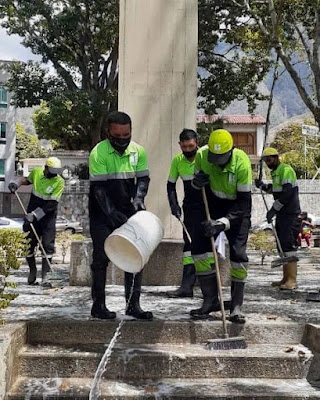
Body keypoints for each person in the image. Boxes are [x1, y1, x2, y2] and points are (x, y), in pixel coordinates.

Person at [89, 111, 153, 320]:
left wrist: (139, 198)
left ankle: (133, 305)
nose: (123, 141)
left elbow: (143, 179)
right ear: (108, 133)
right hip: (102, 212)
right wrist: (111, 213)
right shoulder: (98, 153)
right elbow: (98, 188)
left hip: (129, 211)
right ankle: (98, 305)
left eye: (126, 136)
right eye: (118, 137)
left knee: (136, 255)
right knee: (100, 258)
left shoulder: (138, 151)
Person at [191, 129, 252, 323]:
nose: (216, 163)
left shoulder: (242, 163)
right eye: (214, 158)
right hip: (212, 203)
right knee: (198, 250)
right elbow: (196, 186)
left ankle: (236, 306)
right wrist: (196, 182)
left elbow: (244, 204)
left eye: (221, 159)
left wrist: (222, 224)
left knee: (238, 255)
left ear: (231, 151)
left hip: (237, 209)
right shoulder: (202, 156)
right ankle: (210, 300)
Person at [8, 157, 65, 286]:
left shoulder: (59, 182)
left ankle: (46, 276)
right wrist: (16, 183)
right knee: (28, 244)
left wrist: (35, 215)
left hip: (47, 217)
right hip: (30, 215)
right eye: (52, 171)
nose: (54, 174)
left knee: (47, 246)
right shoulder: (37, 173)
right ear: (45, 168)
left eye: (56, 171)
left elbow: (51, 205)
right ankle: (32, 270)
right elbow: (25, 180)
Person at [255, 147, 301, 290]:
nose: (268, 163)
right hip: (282, 214)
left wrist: (273, 209)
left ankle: (292, 280)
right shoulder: (276, 174)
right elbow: (275, 190)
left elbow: (287, 194)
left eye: (269, 159)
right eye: (266, 161)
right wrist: (263, 186)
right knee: (282, 246)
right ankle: (285, 278)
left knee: (288, 246)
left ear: (276, 158)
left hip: (290, 214)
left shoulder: (285, 170)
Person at [167, 129, 202, 298]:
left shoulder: (205, 157)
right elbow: (170, 185)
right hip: (189, 208)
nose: (188, 150)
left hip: (207, 208)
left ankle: (208, 288)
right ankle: (186, 287)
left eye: (191, 146)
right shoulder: (177, 161)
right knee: (188, 247)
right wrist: (174, 205)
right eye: (185, 146)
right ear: (179, 145)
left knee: (207, 247)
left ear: (197, 143)